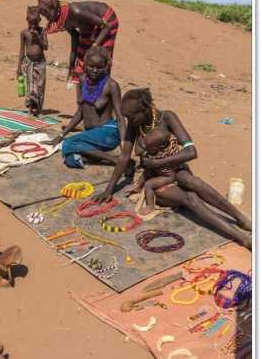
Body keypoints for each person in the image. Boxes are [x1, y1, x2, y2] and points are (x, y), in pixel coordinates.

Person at [95, 88, 252, 250]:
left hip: (177, 170)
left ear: (144, 110)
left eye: (131, 116)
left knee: (191, 181)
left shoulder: (167, 118)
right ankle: (242, 238)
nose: (128, 120)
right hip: (157, 181)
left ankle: (240, 218)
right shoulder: (135, 125)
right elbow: (124, 157)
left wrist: (159, 163)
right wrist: (109, 190)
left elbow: (191, 151)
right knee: (191, 198)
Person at [48, 47, 127, 170]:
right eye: (91, 66)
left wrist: (123, 144)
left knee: (70, 143)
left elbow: (120, 117)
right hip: (90, 135)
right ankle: (98, 156)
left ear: (106, 67)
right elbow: (80, 112)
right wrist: (62, 134)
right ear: (85, 65)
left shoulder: (111, 85)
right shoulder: (82, 80)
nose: (95, 70)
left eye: (99, 67)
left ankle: (117, 161)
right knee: (70, 159)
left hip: (108, 133)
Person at [37, 0, 119, 85]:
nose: (46, 17)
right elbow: (75, 38)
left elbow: (106, 26)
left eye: (46, 13)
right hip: (88, 26)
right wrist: (71, 66)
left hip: (106, 20)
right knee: (81, 65)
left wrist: (94, 46)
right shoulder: (62, 18)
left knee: (100, 59)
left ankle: (104, 88)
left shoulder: (75, 11)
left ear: (53, 8)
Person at [17, 6, 48, 116]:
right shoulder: (24, 33)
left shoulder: (43, 31)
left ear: (39, 21)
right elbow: (22, 50)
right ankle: (30, 108)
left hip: (40, 63)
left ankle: (38, 109)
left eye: (36, 23)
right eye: (31, 23)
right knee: (30, 86)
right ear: (27, 21)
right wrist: (18, 68)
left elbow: (46, 47)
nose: (33, 26)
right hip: (29, 62)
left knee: (40, 86)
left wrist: (38, 37)